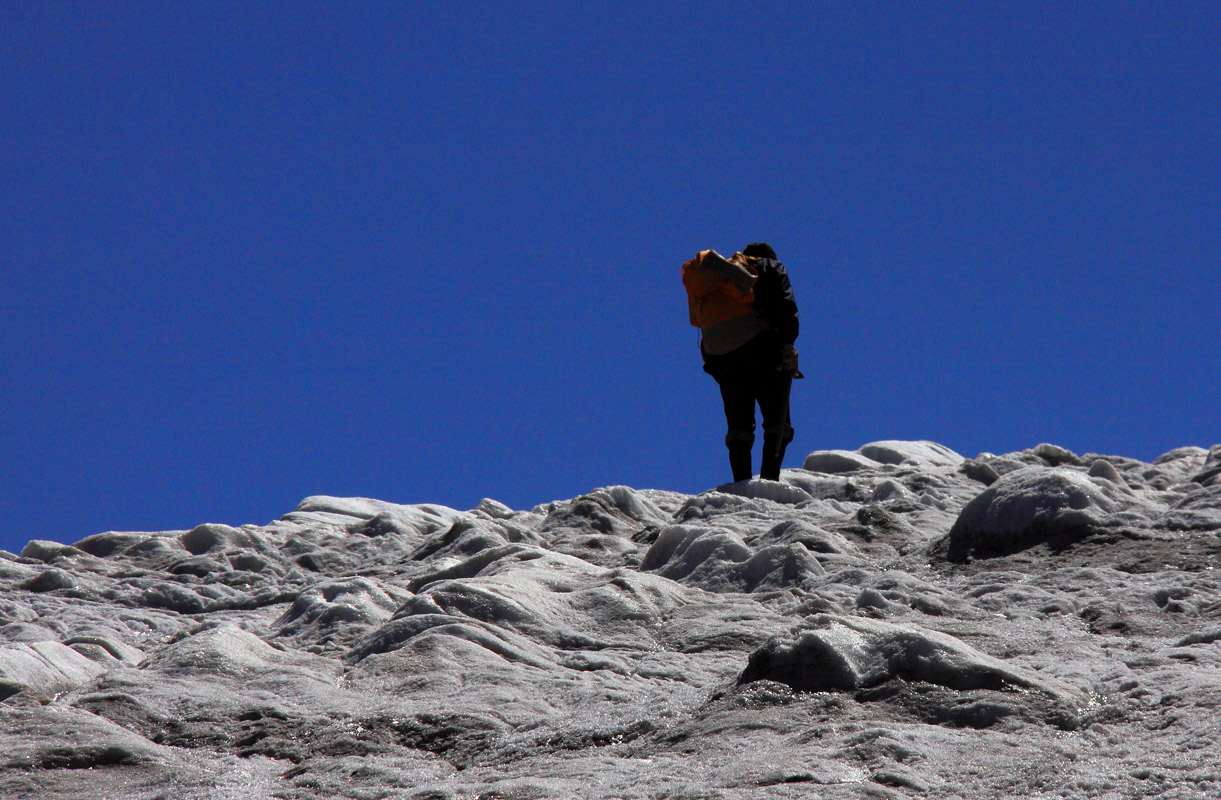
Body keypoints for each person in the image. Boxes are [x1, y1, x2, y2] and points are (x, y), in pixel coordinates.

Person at [682, 242, 799, 482]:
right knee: (778, 422)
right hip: (761, 347)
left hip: (723, 358)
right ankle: (768, 481)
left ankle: (741, 484)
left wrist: (717, 367)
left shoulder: (718, 280)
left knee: (739, 425)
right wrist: (787, 345)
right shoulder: (770, 266)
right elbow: (786, 306)